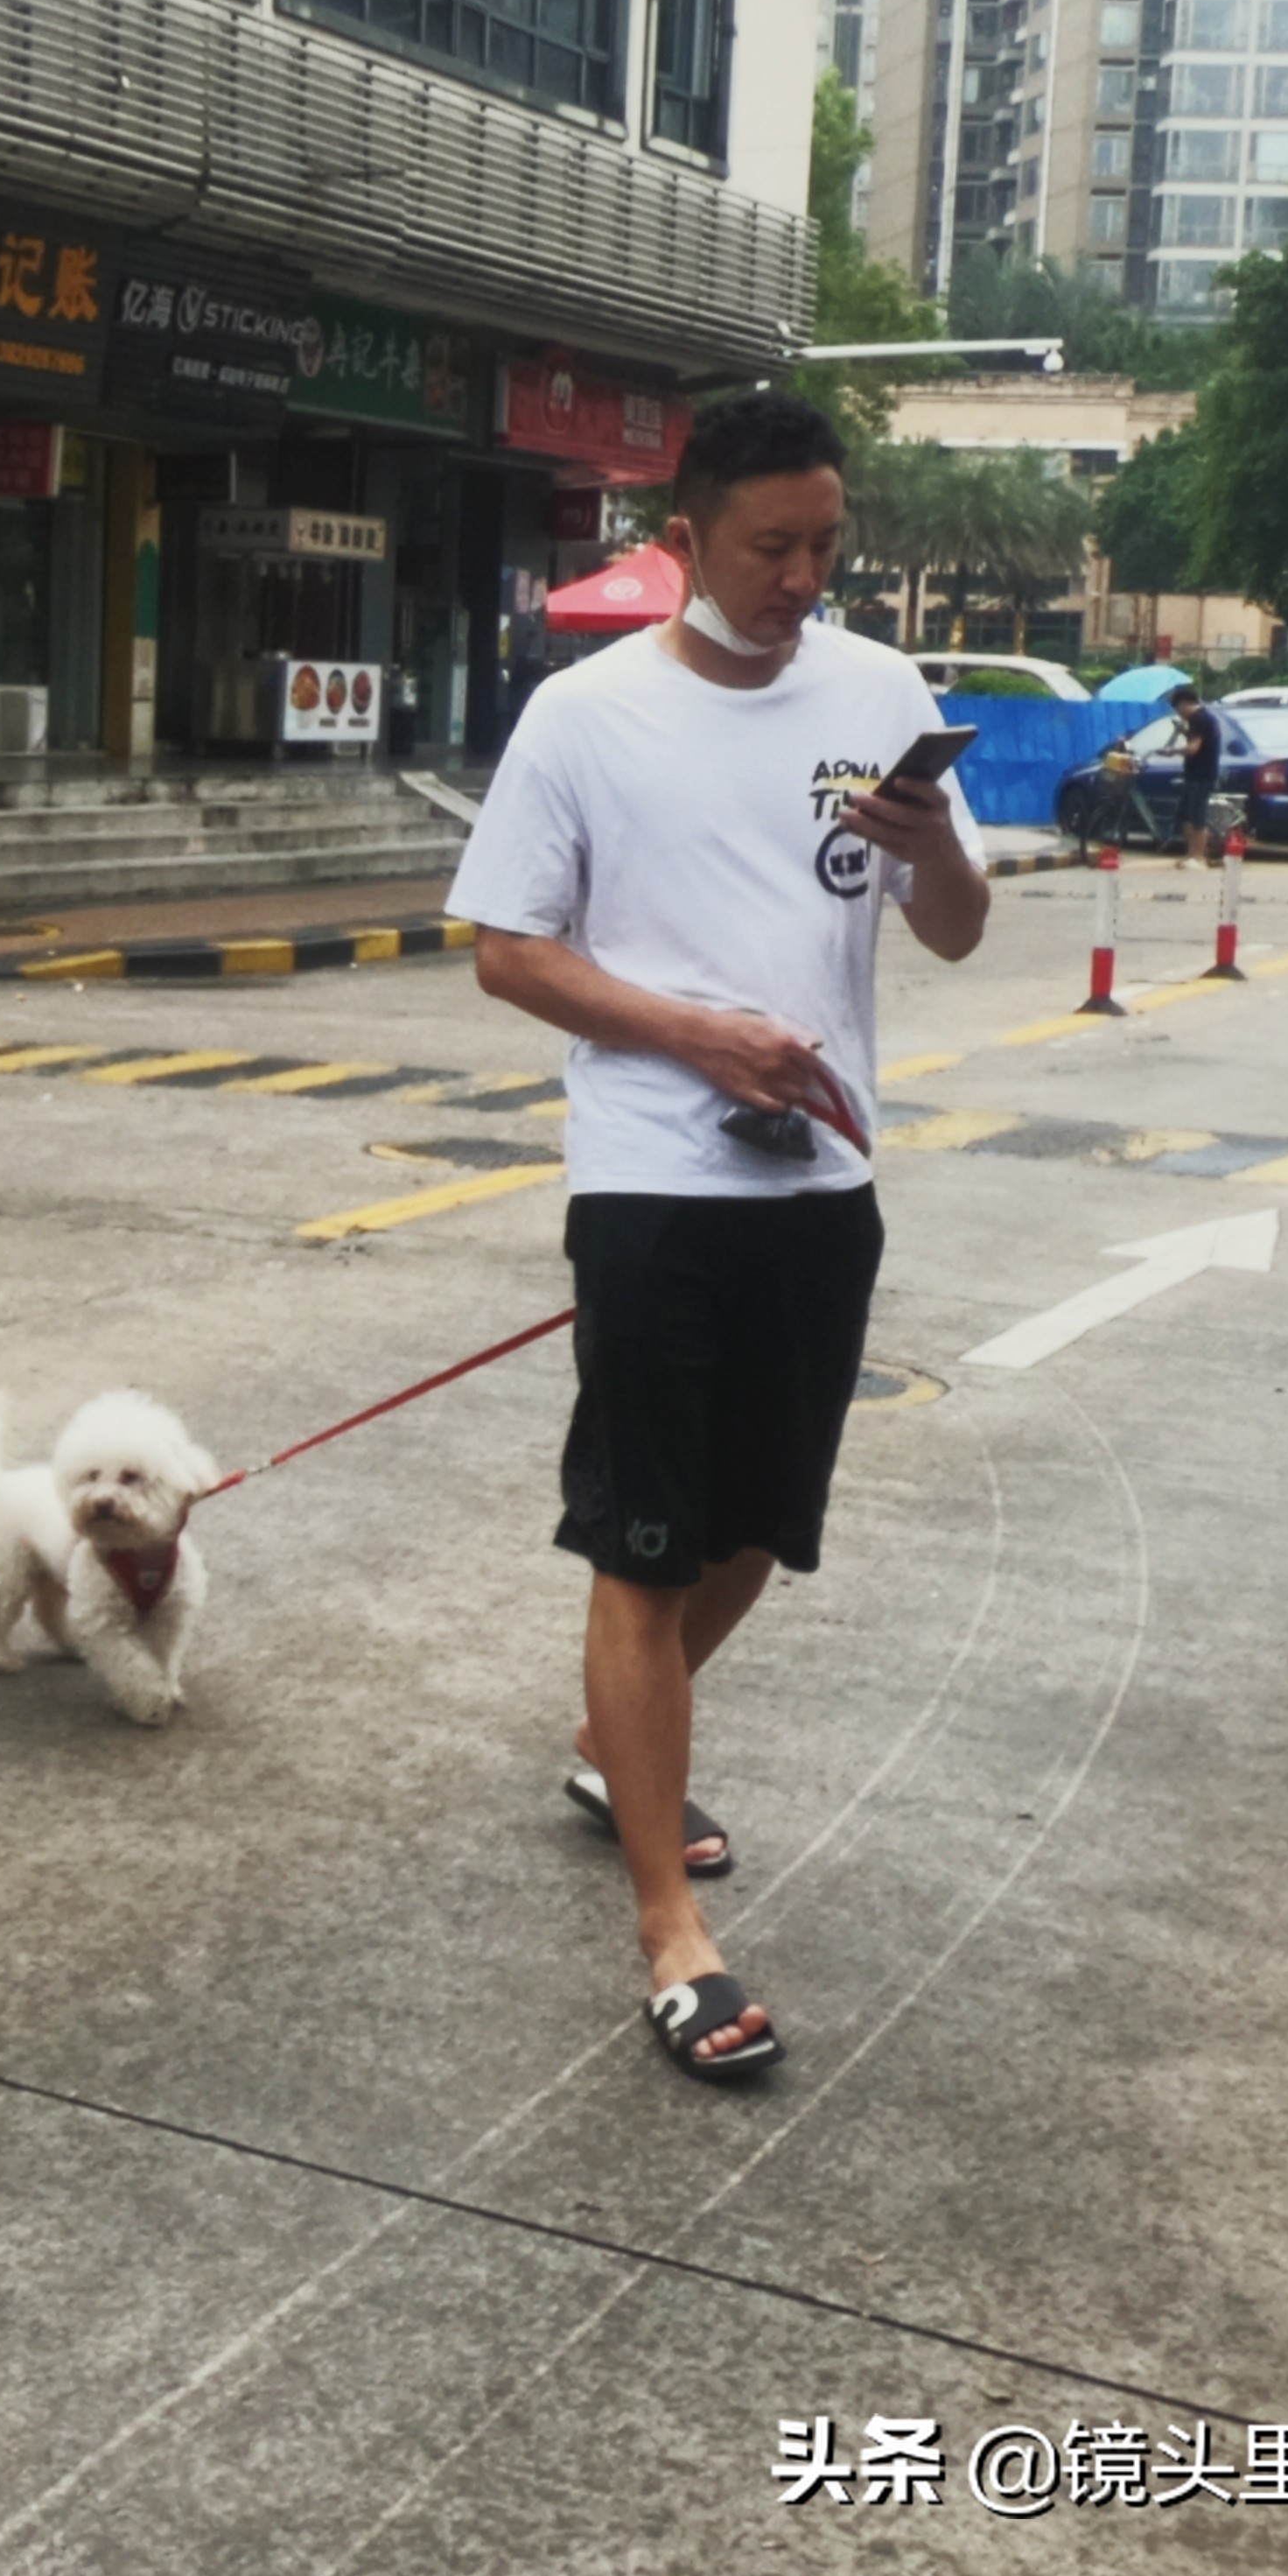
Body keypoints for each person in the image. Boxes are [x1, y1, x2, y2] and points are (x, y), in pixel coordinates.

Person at [446, 391, 990, 2083]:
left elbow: (960, 930)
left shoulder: (879, 692)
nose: (804, 577)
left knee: (762, 1526)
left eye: (827, 543)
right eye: (772, 546)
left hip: (824, 1184)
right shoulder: (587, 717)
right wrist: (700, 1037)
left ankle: (624, 1751)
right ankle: (668, 1937)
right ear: (686, 537)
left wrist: (927, 851)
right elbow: (505, 950)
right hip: (655, 1182)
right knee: (647, 1541)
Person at [1168, 680, 1225, 867]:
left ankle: (1198, 856)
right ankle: (1191, 853)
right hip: (1194, 772)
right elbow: (1200, 740)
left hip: (1202, 773)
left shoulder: (1200, 719)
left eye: (1178, 708)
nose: (1179, 712)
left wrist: (1172, 752)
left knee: (1196, 815)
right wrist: (1184, 732)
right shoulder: (1201, 719)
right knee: (1185, 815)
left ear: (1184, 704)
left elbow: (1193, 749)